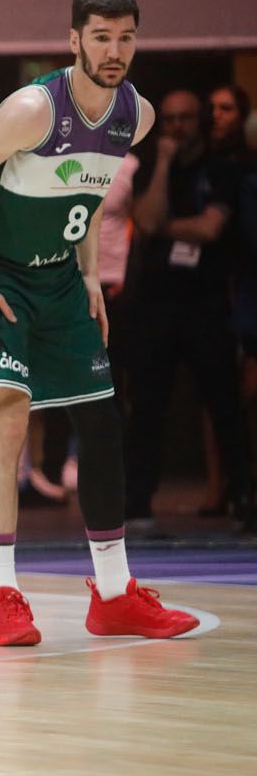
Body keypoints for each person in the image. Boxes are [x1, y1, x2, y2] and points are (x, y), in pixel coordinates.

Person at [0, 0, 199, 646]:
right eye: (100, 36)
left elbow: (91, 187)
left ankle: (113, 595)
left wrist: (90, 270)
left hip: (60, 277)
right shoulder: (31, 109)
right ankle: (3, 597)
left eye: (126, 37)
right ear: (73, 40)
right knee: (9, 413)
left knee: (101, 420)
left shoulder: (138, 115)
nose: (114, 50)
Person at [126, 89, 249, 530]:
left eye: (186, 119)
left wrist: (163, 227)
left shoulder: (222, 171)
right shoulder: (149, 170)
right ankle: (138, 503)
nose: (178, 127)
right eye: (171, 119)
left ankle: (241, 498)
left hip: (207, 304)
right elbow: (144, 219)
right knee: (147, 405)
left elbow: (210, 228)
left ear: (201, 122)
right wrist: (161, 164)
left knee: (223, 404)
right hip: (156, 304)